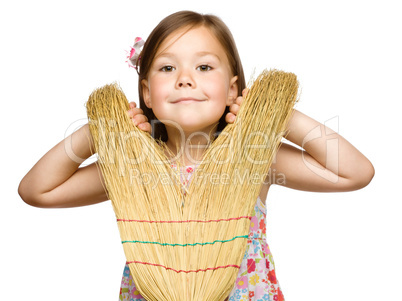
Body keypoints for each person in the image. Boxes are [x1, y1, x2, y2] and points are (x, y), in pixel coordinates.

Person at [18, 10, 374, 301]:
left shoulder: (253, 159)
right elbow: (37, 190)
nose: (185, 79)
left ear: (232, 88)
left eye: (204, 67)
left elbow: (354, 172)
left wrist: (279, 116)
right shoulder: (131, 167)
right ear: (147, 92)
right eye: (167, 68)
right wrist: (96, 133)